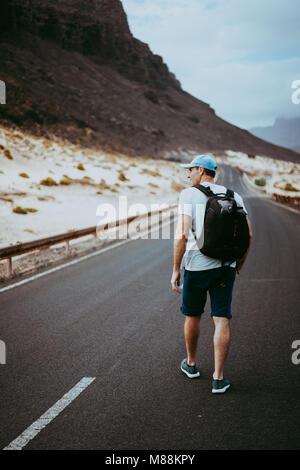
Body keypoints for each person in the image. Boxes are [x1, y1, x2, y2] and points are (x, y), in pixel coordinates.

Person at [171, 154, 253, 393]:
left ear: (200, 170)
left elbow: (182, 234)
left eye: (190, 170)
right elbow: (249, 235)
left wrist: (176, 269)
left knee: (192, 316)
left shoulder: (188, 194)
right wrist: (237, 265)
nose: (187, 175)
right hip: (225, 266)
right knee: (221, 318)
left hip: (197, 267)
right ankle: (218, 378)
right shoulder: (233, 195)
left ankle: (192, 364)